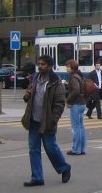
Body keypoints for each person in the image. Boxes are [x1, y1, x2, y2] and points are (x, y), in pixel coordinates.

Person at [21, 55, 71, 186]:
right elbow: (29, 92)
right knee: (33, 149)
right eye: (39, 64)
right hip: (33, 120)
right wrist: (27, 95)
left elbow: (60, 103)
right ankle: (37, 177)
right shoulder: (36, 78)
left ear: (49, 66)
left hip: (47, 121)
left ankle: (64, 167)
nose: (40, 66)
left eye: (43, 64)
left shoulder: (55, 82)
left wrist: (53, 120)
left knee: (50, 148)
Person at [65, 59, 87, 155]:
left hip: (76, 104)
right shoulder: (79, 76)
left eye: (68, 66)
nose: (66, 68)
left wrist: (68, 100)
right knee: (81, 127)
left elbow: (75, 91)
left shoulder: (73, 77)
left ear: (72, 67)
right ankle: (82, 148)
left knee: (76, 127)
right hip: (82, 103)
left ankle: (76, 149)